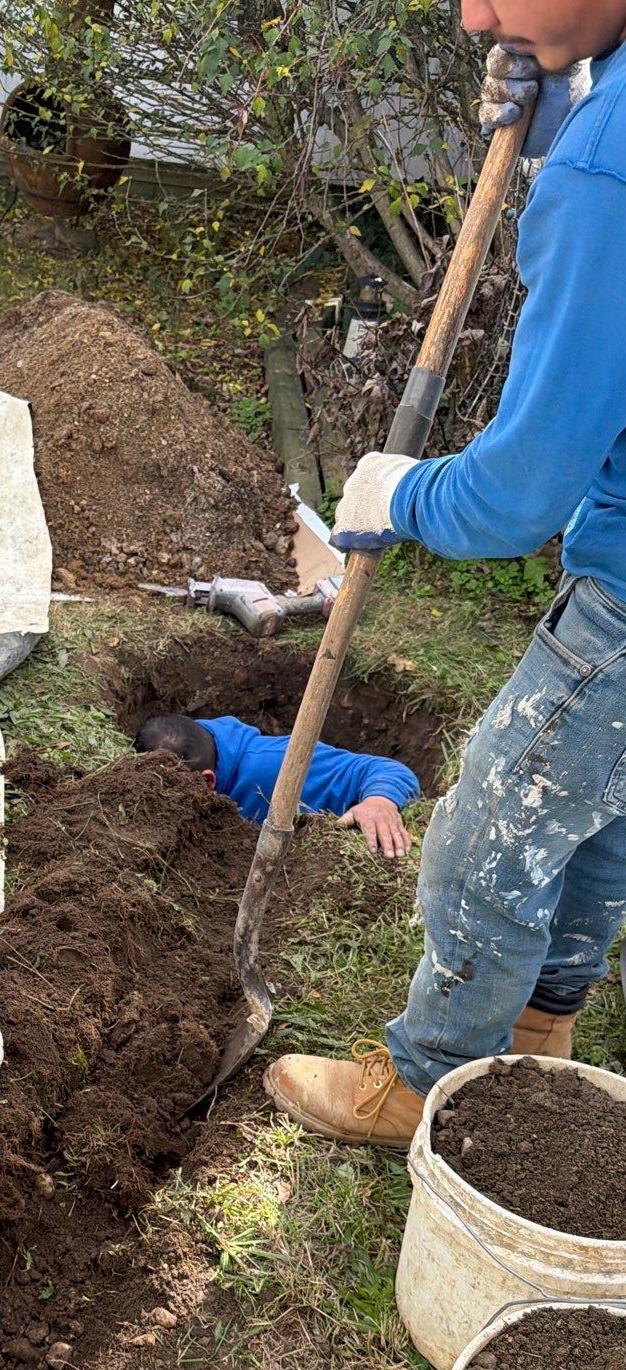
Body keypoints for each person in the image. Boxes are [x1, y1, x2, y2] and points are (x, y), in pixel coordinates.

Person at [266, 5, 626, 1148]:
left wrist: (401, 496)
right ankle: (538, 1037)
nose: (476, 16)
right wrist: (565, 117)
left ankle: (430, 1078)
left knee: (490, 830)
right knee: (598, 819)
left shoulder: (610, 168)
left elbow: (521, 495)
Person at [133, 713, 419, 857]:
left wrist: (379, 801)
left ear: (208, 781)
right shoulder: (187, 742)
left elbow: (387, 769)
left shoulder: (276, 767)